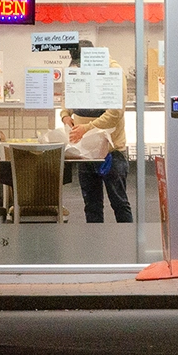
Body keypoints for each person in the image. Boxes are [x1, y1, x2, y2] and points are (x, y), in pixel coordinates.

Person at [62, 43, 133, 223]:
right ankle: (94, 248)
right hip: (85, 151)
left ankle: (126, 248)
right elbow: (69, 96)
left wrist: (86, 128)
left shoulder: (113, 72)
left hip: (111, 152)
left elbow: (115, 113)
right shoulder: (81, 69)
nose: (80, 67)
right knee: (91, 206)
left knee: (119, 203)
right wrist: (65, 115)